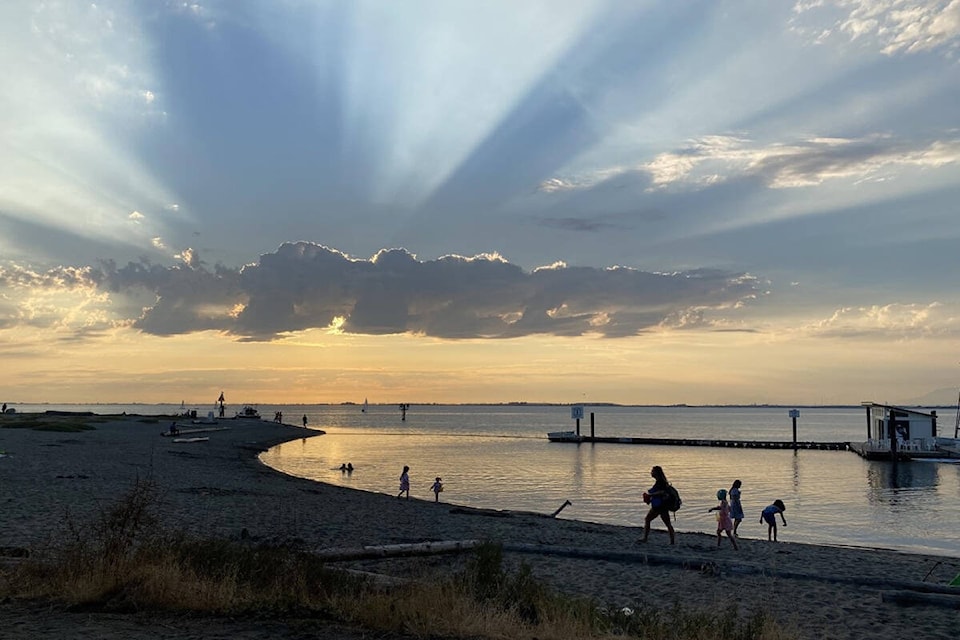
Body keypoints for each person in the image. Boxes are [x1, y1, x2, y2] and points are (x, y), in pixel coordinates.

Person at [639, 465, 676, 545]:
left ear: (657, 472)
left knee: (647, 519)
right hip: (662, 506)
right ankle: (672, 542)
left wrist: (651, 495)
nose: (651, 472)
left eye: (653, 471)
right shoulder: (662, 481)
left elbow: (662, 492)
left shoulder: (660, 482)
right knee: (667, 524)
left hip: (659, 506)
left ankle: (645, 538)